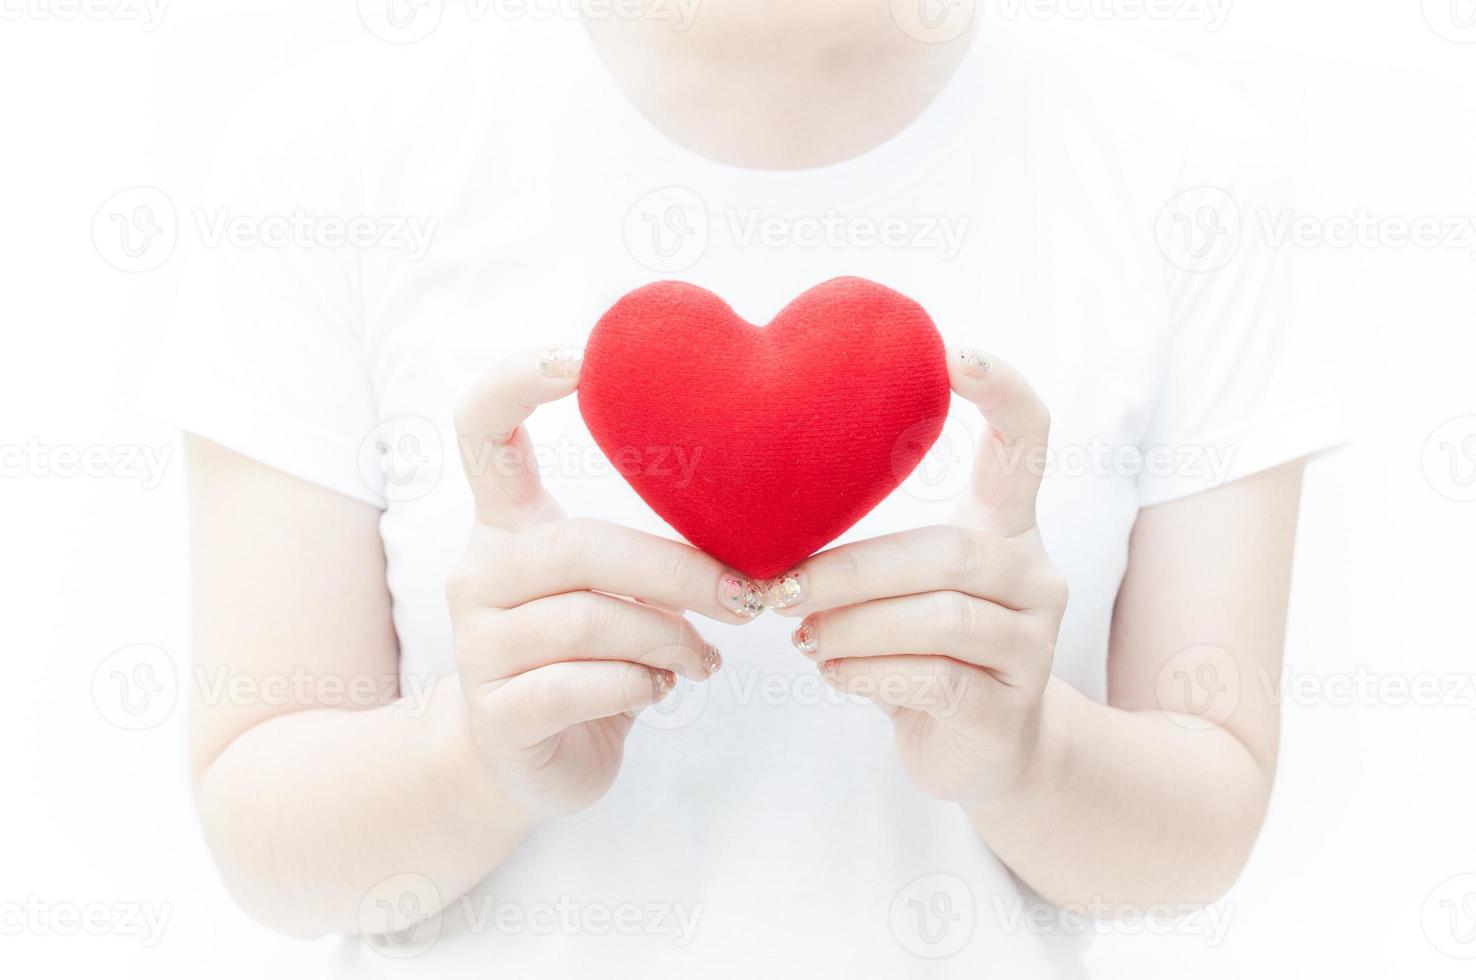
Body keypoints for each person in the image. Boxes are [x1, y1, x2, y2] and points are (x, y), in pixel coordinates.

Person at [157, 3, 1341, 976]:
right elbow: (263, 844)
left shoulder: (1189, 171)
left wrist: (1025, 753)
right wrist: (473, 753)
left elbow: (1206, 825)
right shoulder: (333, 155)